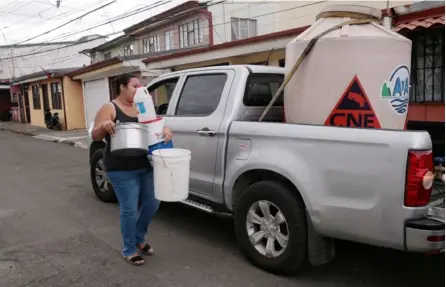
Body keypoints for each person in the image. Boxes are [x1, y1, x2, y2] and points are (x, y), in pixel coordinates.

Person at [91, 73, 173, 266]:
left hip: (146, 164)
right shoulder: (109, 107)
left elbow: (156, 127)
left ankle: (138, 237)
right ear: (122, 87)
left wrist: (166, 132)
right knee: (129, 209)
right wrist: (104, 125)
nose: (140, 89)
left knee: (153, 203)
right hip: (121, 168)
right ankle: (129, 248)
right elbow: (95, 135)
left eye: (141, 86)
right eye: (135, 86)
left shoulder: (142, 107)